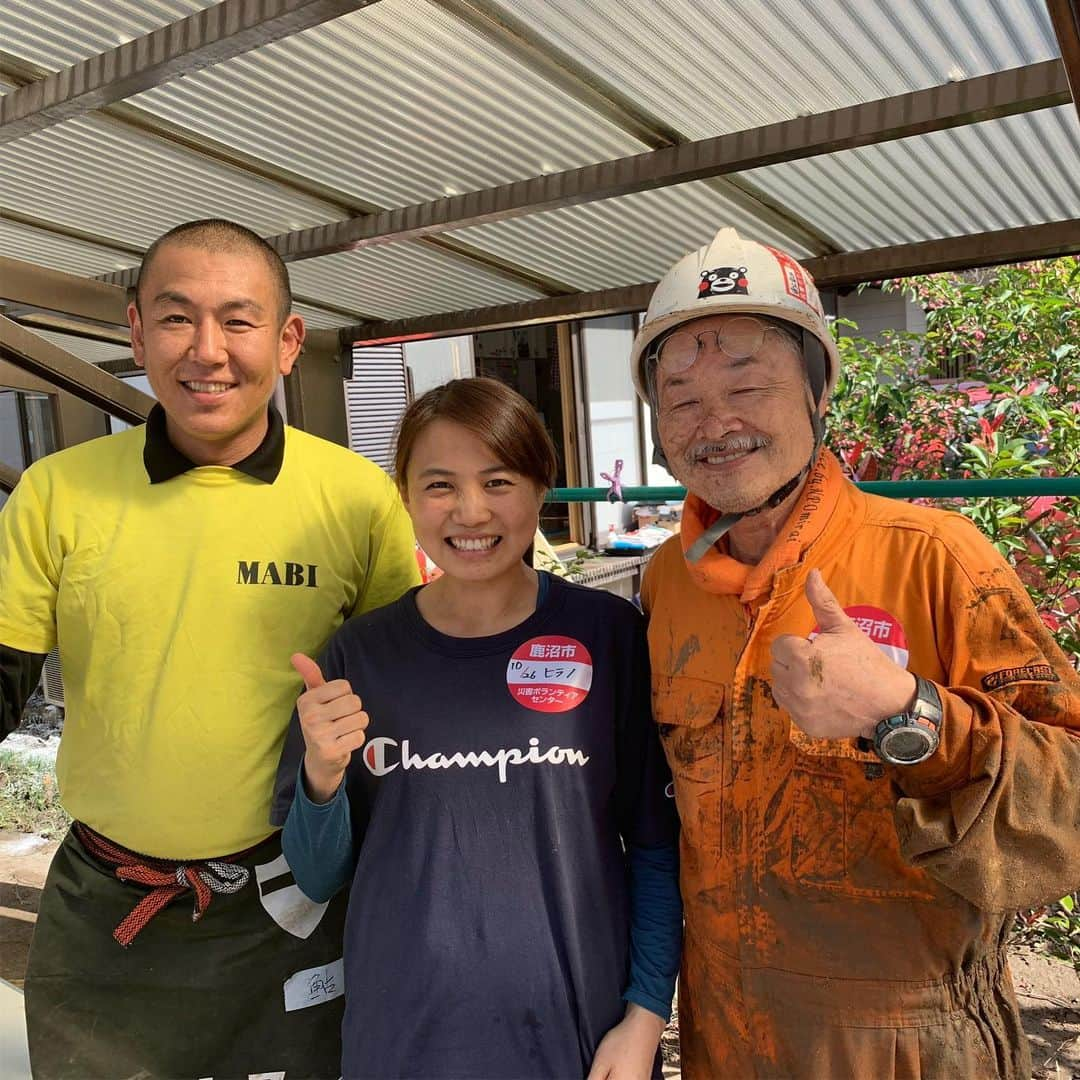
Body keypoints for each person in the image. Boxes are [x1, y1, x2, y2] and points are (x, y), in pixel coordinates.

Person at [629, 226, 1080, 1079]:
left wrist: (911, 713)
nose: (714, 421)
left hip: (912, 1042)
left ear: (817, 395)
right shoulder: (666, 583)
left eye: (749, 384)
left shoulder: (937, 557)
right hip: (724, 1040)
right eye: (680, 397)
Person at [0, 219, 420, 1078]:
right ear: (135, 333)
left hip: (296, 897)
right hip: (107, 906)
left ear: (289, 340)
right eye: (176, 317)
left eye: (238, 320)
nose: (207, 351)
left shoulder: (356, 497)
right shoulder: (56, 493)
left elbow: (411, 700)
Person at [271, 376, 682, 1079]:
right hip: (402, 1036)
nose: (470, 511)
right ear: (404, 495)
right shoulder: (357, 655)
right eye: (439, 485)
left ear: (541, 488)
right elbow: (315, 875)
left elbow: (653, 842)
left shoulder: (608, 636)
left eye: (498, 481)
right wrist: (322, 776)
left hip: (575, 1035)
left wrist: (645, 1014)